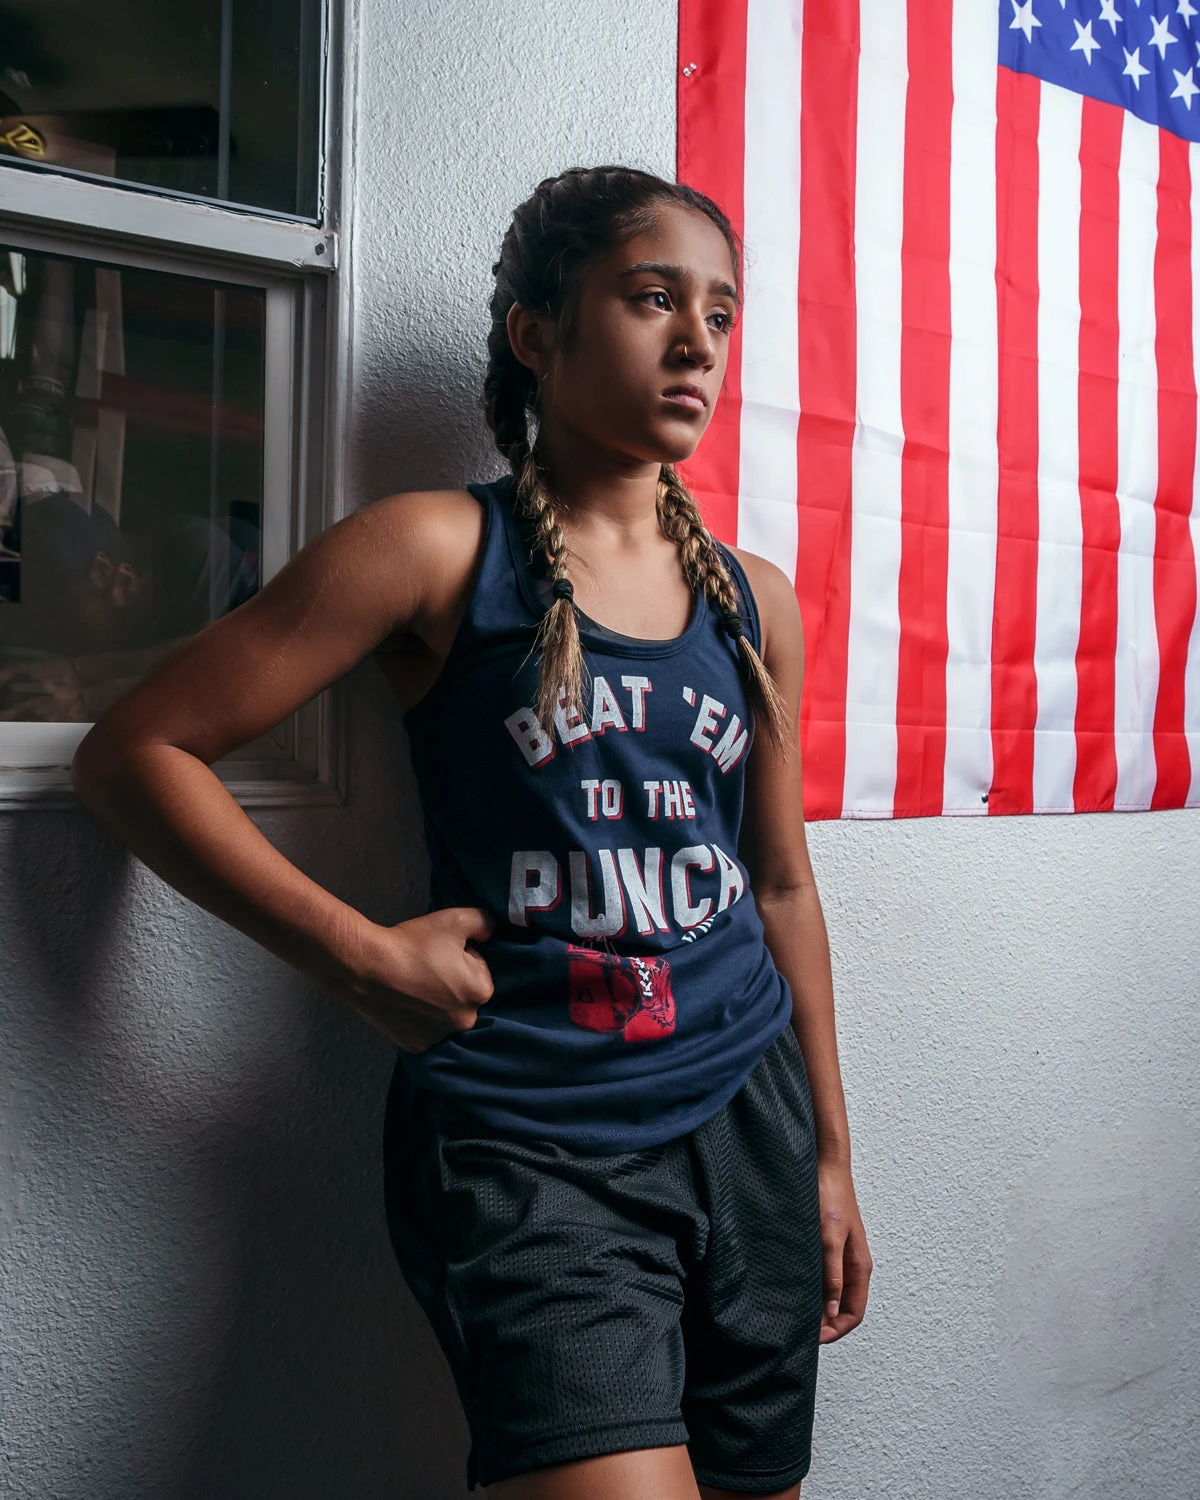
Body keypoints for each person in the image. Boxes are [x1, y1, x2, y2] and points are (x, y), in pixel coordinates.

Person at [71, 165, 872, 1499]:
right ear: (538, 333)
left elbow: (782, 888)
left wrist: (832, 1161)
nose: (697, 342)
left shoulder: (755, 600)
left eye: (721, 313)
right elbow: (135, 754)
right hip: (534, 1145)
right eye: (653, 298)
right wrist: (360, 960)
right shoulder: (437, 549)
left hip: (751, 1124)